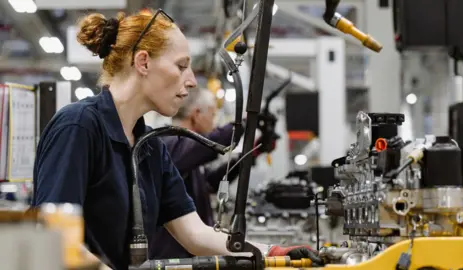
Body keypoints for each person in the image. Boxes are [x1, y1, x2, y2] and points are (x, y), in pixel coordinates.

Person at [31, 8, 323, 270]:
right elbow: (53, 238)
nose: (192, 80)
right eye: (182, 66)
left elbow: (196, 234)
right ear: (143, 62)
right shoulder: (78, 127)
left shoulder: (150, 146)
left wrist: (273, 253)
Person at [150, 88, 244, 259]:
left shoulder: (187, 154)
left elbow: (210, 181)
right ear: (197, 114)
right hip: (174, 257)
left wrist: (246, 157)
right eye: (212, 114)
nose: (214, 122)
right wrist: (243, 124)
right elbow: (212, 143)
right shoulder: (169, 144)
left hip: (192, 253)